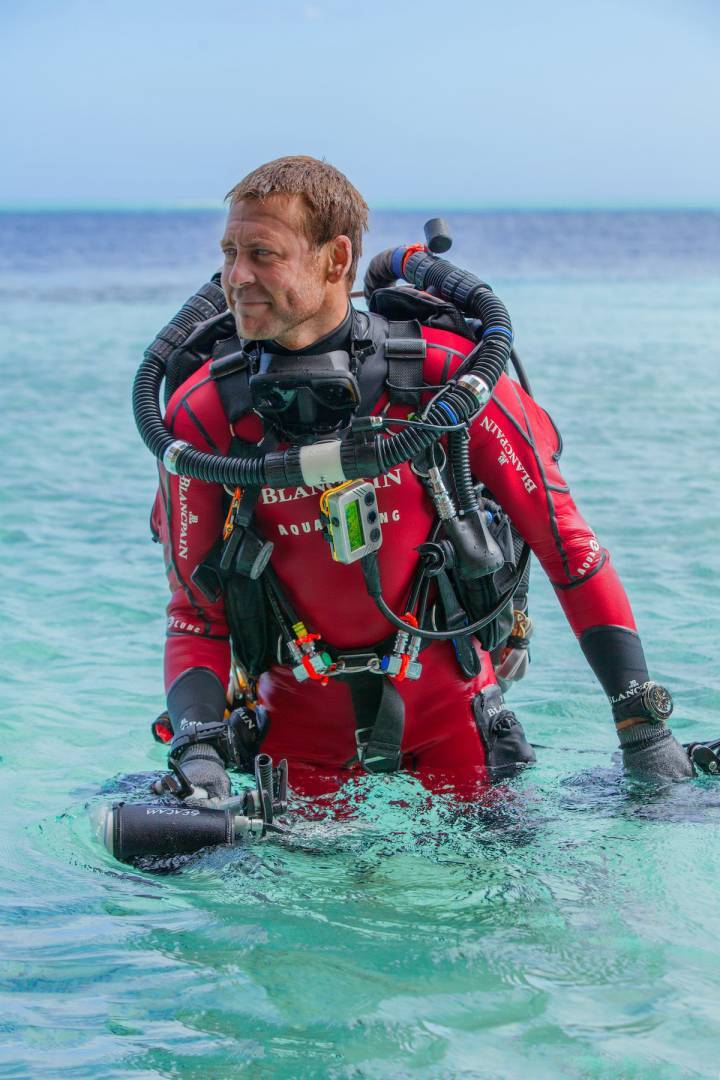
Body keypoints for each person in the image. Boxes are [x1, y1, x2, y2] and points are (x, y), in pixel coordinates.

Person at [147, 155, 692, 802]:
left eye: (263, 254)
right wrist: (201, 754)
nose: (236, 276)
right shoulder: (204, 417)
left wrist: (643, 730)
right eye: (229, 251)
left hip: (461, 736)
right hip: (291, 753)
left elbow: (568, 551)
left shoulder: (450, 382)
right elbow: (194, 617)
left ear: (336, 257)